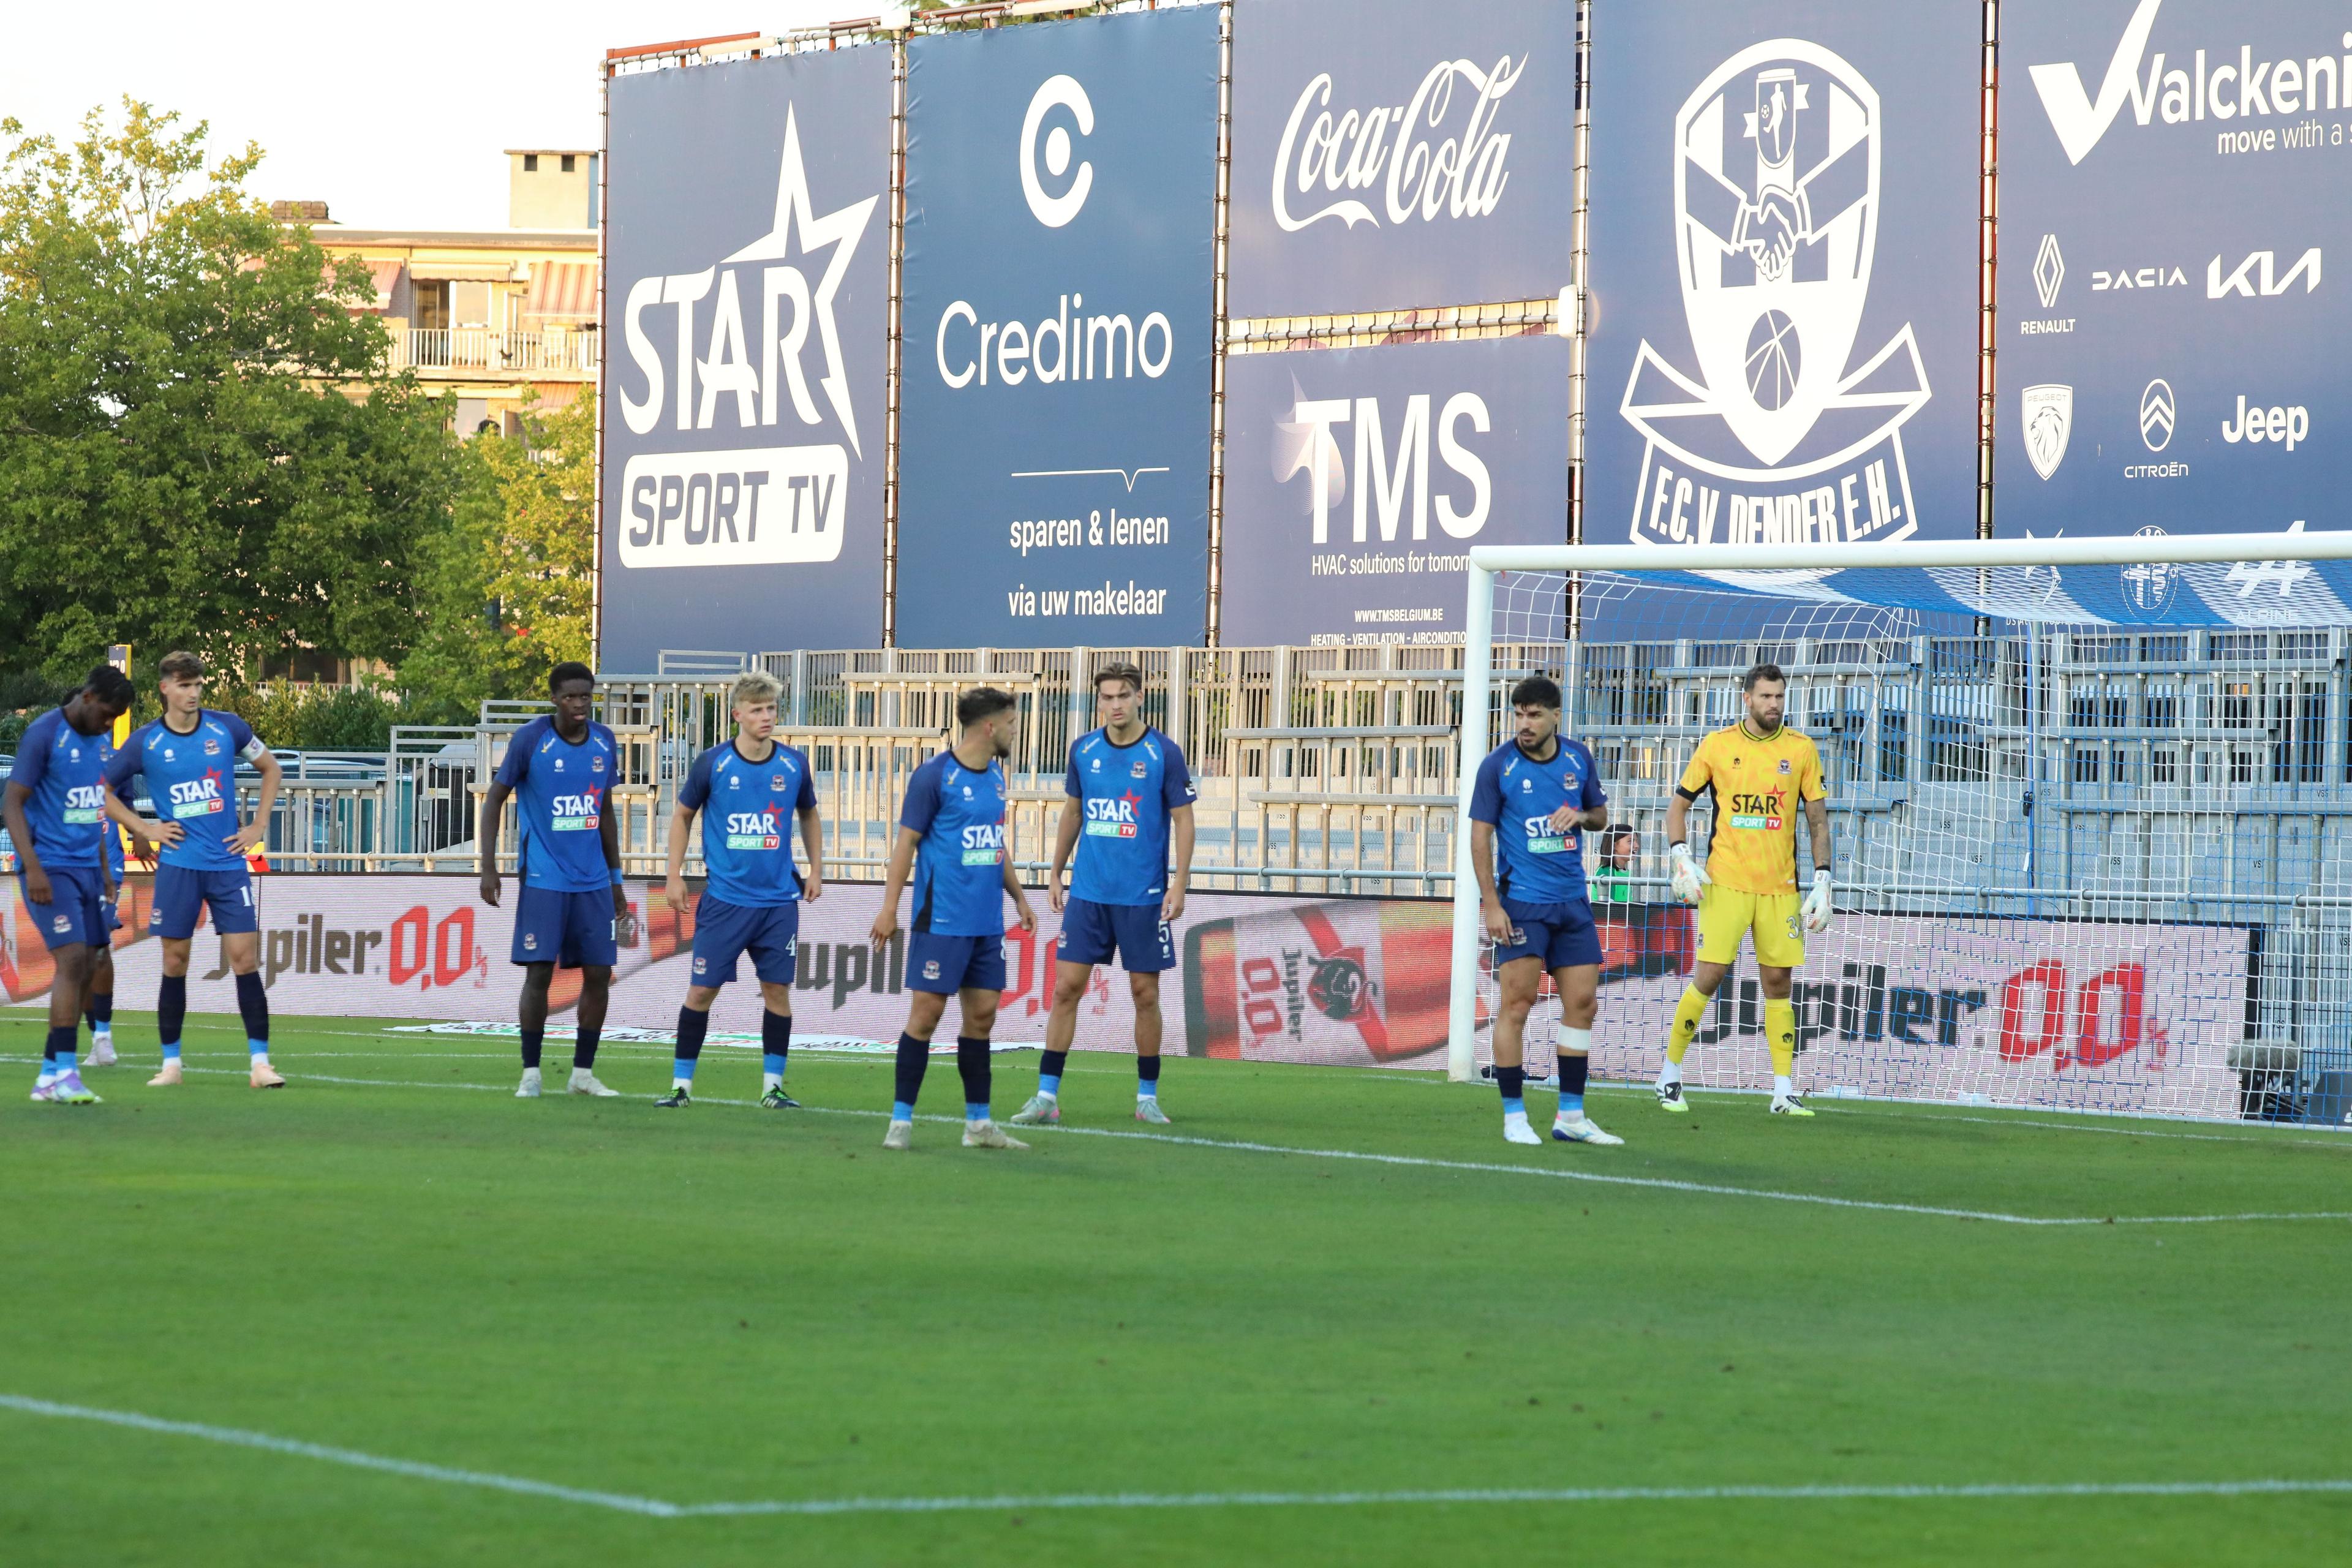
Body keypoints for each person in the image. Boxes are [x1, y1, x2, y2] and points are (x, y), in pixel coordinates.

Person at [1012, 662, 1196, 1128]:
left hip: (1143, 896)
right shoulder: (1083, 750)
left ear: (1139, 698)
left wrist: (1180, 882)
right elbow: (1073, 813)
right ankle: (1046, 1097)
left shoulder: (1163, 753)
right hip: (1089, 894)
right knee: (1066, 989)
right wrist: (1055, 873)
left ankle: (1147, 1097)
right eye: (1106, 697)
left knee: (1144, 994)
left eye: (1122, 695)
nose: (1114, 704)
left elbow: (1184, 819)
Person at [1656, 663, 1833, 1117]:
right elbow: (1678, 806)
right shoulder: (1718, 745)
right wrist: (1680, 855)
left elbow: (1817, 820)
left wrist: (1824, 879)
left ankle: (1782, 1091)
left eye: (1779, 696)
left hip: (1780, 889)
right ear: (1747, 699)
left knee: (1779, 983)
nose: (1774, 704)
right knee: (1710, 974)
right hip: (1727, 883)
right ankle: (1669, 1076)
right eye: (1766, 697)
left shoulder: (1802, 749)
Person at [102, 651, 286, 1088]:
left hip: (226, 865)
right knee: (175, 961)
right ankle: (171, 1066)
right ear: (164, 688)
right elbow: (102, 789)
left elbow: (271, 768)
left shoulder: (227, 728)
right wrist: (142, 826)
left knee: (245, 960)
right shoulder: (146, 742)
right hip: (179, 867)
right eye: (184, 685)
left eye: (198, 684)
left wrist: (258, 825)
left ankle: (261, 1064)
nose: (194, 693)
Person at [869, 687, 1038, 1152]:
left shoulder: (997, 778)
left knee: (982, 1018)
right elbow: (906, 845)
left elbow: (994, 843)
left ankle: (978, 1125)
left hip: (986, 922)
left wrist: (1019, 897)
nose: (1014, 730)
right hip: (941, 919)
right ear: (990, 727)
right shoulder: (934, 777)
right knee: (926, 1017)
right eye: (1011, 722)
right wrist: (889, 910)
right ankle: (900, 1123)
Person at [1469, 675, 1623, 1147]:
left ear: (1557, 715)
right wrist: (1491, 904)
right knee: (1517, 1005)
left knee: (1583, 1004)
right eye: (1519, 714)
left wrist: (1579, 816)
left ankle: (1571, 1116)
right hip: (1523, 905)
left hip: (1573, 902)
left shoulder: (1578, 758)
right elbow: (1480, 837)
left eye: (1534, 714)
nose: (1525, 723)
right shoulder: (1498, 766)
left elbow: (1599, 816)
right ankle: (1514, 1116)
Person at [658, 671, 822, 1109]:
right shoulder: (714, 763)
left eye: (771, 709)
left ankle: (773, 1088)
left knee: (777, 992)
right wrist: (673, 874)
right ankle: (681, 1088)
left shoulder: (793, 764)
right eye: (757, 710)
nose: (767, 717)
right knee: (701, 992)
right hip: (725, 901)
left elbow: (809, 815)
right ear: (737, 715)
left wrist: (815, 870)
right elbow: (681, 816)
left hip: (778, 904)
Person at [478, 662, 631, 1098]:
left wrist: (616, 879)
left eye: (586, 696)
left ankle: (582, 1074)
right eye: (571, 697)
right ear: (554, 699)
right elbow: (495, 801)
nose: (580, 704)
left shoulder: (605, 741)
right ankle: (531, 1073)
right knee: (540, 974)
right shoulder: (531, 739)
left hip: (594, 882)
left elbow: (603, 813)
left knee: (600, 973)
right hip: (545, 878)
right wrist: (489, 867)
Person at [2, 666, 135, 1103]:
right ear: (89, 696)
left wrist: (102, 871)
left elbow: (93, 812)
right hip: (50, 868)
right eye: (109, 714)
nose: (110, 724)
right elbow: (12, 802)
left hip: (87, 870)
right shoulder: (44, 734)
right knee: (73, 958)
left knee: (93, 960)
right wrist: (34, 867)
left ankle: (47, 1077)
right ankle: (66, 1076)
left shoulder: (100, 744)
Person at [82, 813, 126, 1068]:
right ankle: (96, 1038)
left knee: (97, 951)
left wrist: (139, 832)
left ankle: (103, 1036)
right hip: (70, 871)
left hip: (107, 871)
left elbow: (126, 808)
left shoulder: (113, 779)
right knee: (79, 959)